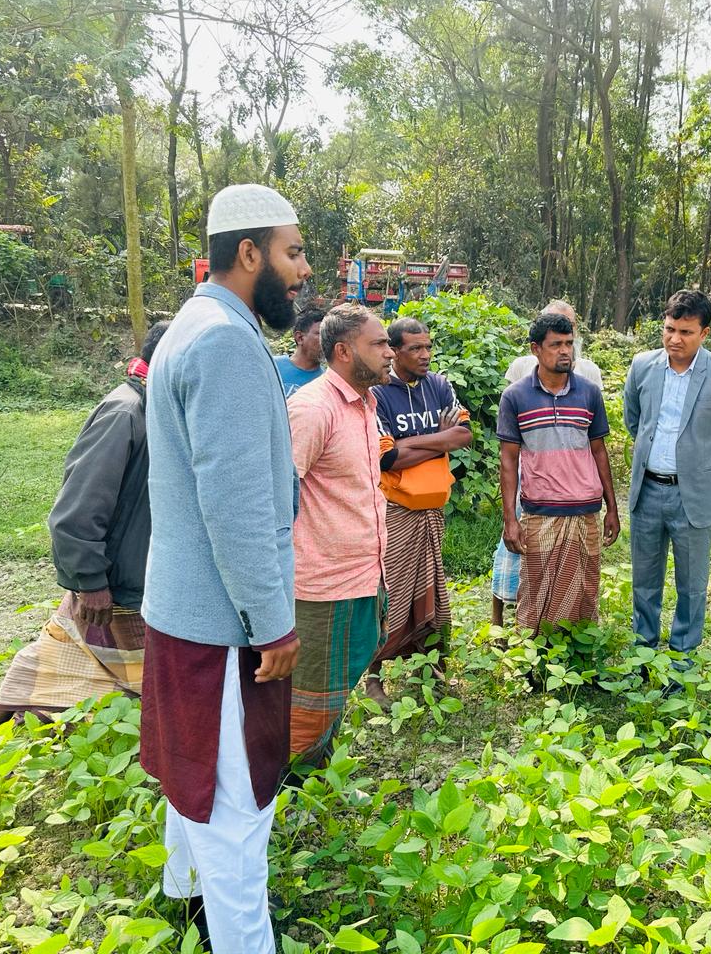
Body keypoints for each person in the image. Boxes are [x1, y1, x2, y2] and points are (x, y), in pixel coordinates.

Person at [139, 183, 308, 953]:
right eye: (293, 252)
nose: (303, 270)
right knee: (237, 814)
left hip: (184, 611)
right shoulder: (225, 344)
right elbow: (236, 510)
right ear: (248, 253)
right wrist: (272, 623)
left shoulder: (192, 326)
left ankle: (183, 902)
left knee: (194, 777)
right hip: (224, 624)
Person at [0, 321, 171, 726]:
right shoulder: (125, 412)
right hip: (113, 586)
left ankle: (0, 734)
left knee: (56, 658)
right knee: (138, 677)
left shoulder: (155, 408)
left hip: (129, 578)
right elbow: (77, 507)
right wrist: (91, 582)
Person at [623, 289, 711, 675]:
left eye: (685, 332)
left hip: (692, 495)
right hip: (648, 490)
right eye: (669, 329)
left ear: (704, 333)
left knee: (691, 585)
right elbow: (634, 420)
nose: (675, 339)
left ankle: (682, 662)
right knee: (644, 580)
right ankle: (643, 654)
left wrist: (699, 463)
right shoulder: (643, 366)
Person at [287, 304, 393, 762]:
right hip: (322, 588)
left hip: (364, 576)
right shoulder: (313, 409)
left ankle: (319, 777)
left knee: (335, 692)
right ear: (345, 351)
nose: (390, 352)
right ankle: (290, 786)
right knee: (307, 701)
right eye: (379, 344)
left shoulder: (366, 404)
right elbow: (275, 498)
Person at [366, 317, 473, 707]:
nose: (425, 354)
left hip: (432, 510)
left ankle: (429, 672)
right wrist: (439, 440)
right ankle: (373, 677)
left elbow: (464, 434)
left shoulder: (439, 385)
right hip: (396, 510)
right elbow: (387, 458)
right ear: (395, 351)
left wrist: (414, 443)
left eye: (428, 346)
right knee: (391, 594)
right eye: (416, 348)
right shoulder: (378, 393)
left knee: (432, 594)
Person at [497, 311, 619, 634]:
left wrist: (612, 508)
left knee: (585, 592)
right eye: (556, 345)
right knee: (536, 591)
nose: (565, 351)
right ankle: (534, 656)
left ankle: (578, 654)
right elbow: (508, 461)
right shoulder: (515, 397)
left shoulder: (589, 393)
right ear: (535, 349)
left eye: (569, 343)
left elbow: (599, 451)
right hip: (540, 511)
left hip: (585, 511)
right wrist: (510, 519)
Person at [274, 304, 325, 396]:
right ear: (300, 338)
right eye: (321, 334)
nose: (327, 340)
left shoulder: (325, 381)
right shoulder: (273, 367)